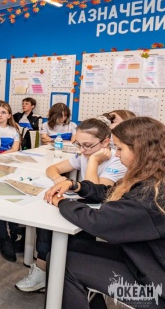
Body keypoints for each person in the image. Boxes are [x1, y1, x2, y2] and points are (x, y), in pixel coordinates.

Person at [44, 117, 165, 309]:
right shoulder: (154, 180)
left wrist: (62, 202)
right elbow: (111, 193)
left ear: (140, 149)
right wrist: (77, 186)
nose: (116, 154)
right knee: (67, 251)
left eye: (120, 149)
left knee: (61, 263)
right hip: (144, 258)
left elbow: (97, 222)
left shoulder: (149, 196)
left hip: (154, 284)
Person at [14, 117, 127, 290]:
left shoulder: (117, 161)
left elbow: (96, 192)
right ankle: (43, 270)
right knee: (48, 214)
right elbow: (52, 168)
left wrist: (93, 160)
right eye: (78, 144)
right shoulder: (84, 153)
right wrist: (58, 178)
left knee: (58, 220)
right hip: (88, 206)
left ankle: (61, 273)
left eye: (87, 145)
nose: (82, 150)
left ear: (106, 142)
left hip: (102, 213)